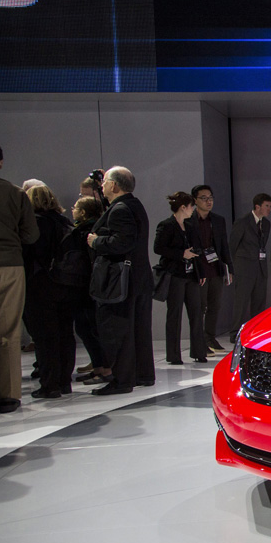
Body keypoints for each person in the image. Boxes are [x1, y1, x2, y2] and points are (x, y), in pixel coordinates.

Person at [87, 166, 154, 395]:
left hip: (121, 280)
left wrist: (96, 241)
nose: (102, 185)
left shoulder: (120, 209)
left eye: (105, 181)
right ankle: (142, 375)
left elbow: (122, 242)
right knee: (139, 329)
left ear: (114, 185)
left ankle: (122, 380)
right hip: (139, 277)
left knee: (118, 330)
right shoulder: (135, 205)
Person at [0, 141, 39, 414]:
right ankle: (9, 398)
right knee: (8, 334)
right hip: (9, 265)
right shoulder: (15, 193)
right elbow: (31, 235)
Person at [22, 185, 78, 399]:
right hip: (67, 284)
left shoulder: (34, 224)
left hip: (40, 285)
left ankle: (49, 384)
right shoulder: (64, 222)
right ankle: (64, 381)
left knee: (45, 337)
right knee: (66, 333)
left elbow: (29, 255)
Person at [155, 192, 208, 365]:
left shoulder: (190, 226)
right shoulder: (166, 225)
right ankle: (174, 355)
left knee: (196, 312)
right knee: (174, 314)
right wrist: (181, 254)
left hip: (191, 275)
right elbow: (158, 248)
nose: (193, 209)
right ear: (183, 207)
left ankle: (199, 351)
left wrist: (201, 273)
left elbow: (198, 250)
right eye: (191, 206)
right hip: (175, 275)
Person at [69, 197, 111, 385]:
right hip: (88, 285)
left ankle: (104, 368)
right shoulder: (88, 229)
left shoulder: (86, 232)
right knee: (87, 328)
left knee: (92, 328)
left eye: (76, 207)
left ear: (83, 212)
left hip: (87, 286)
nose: (73, 210)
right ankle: (98, 367)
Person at [188, 184, 233, 355]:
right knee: (200, 307)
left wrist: (229, 268)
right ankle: (199, 341)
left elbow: (224, 246)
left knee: (215, 305)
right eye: (204, 198)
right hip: (199, 270)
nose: (209, 201)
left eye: (211, 198)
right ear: (195, 200)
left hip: (215, 268)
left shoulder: (218, 220)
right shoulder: (189, 220)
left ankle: (210, 337)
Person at [228, 193, 271, 344]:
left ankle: (256, 332)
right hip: (244, 268)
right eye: (267, 206)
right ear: (257, 206)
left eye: (270, 206)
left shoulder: (266, 224)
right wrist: (232, 268)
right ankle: (235, 333)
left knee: (259, 302)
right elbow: (233, 245)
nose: (269, 209)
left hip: (260, 267)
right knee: (241, 302)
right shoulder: (242, 222)